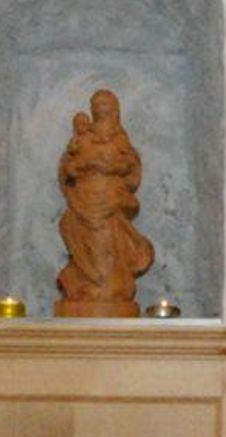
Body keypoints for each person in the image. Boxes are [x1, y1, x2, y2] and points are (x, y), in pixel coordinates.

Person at [56, 88, 154, 316]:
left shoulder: (119, 138)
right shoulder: (83, 137)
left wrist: (109, 166)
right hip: (84, 198)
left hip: (110, 199)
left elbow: (130, 165)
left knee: (108, 243)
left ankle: (112, 288)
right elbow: (68, 168)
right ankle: (83, 286)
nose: (99, 109)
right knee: (75, 230)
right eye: (96, 105)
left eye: (104, 104)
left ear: (114, 109)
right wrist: (82, 165)